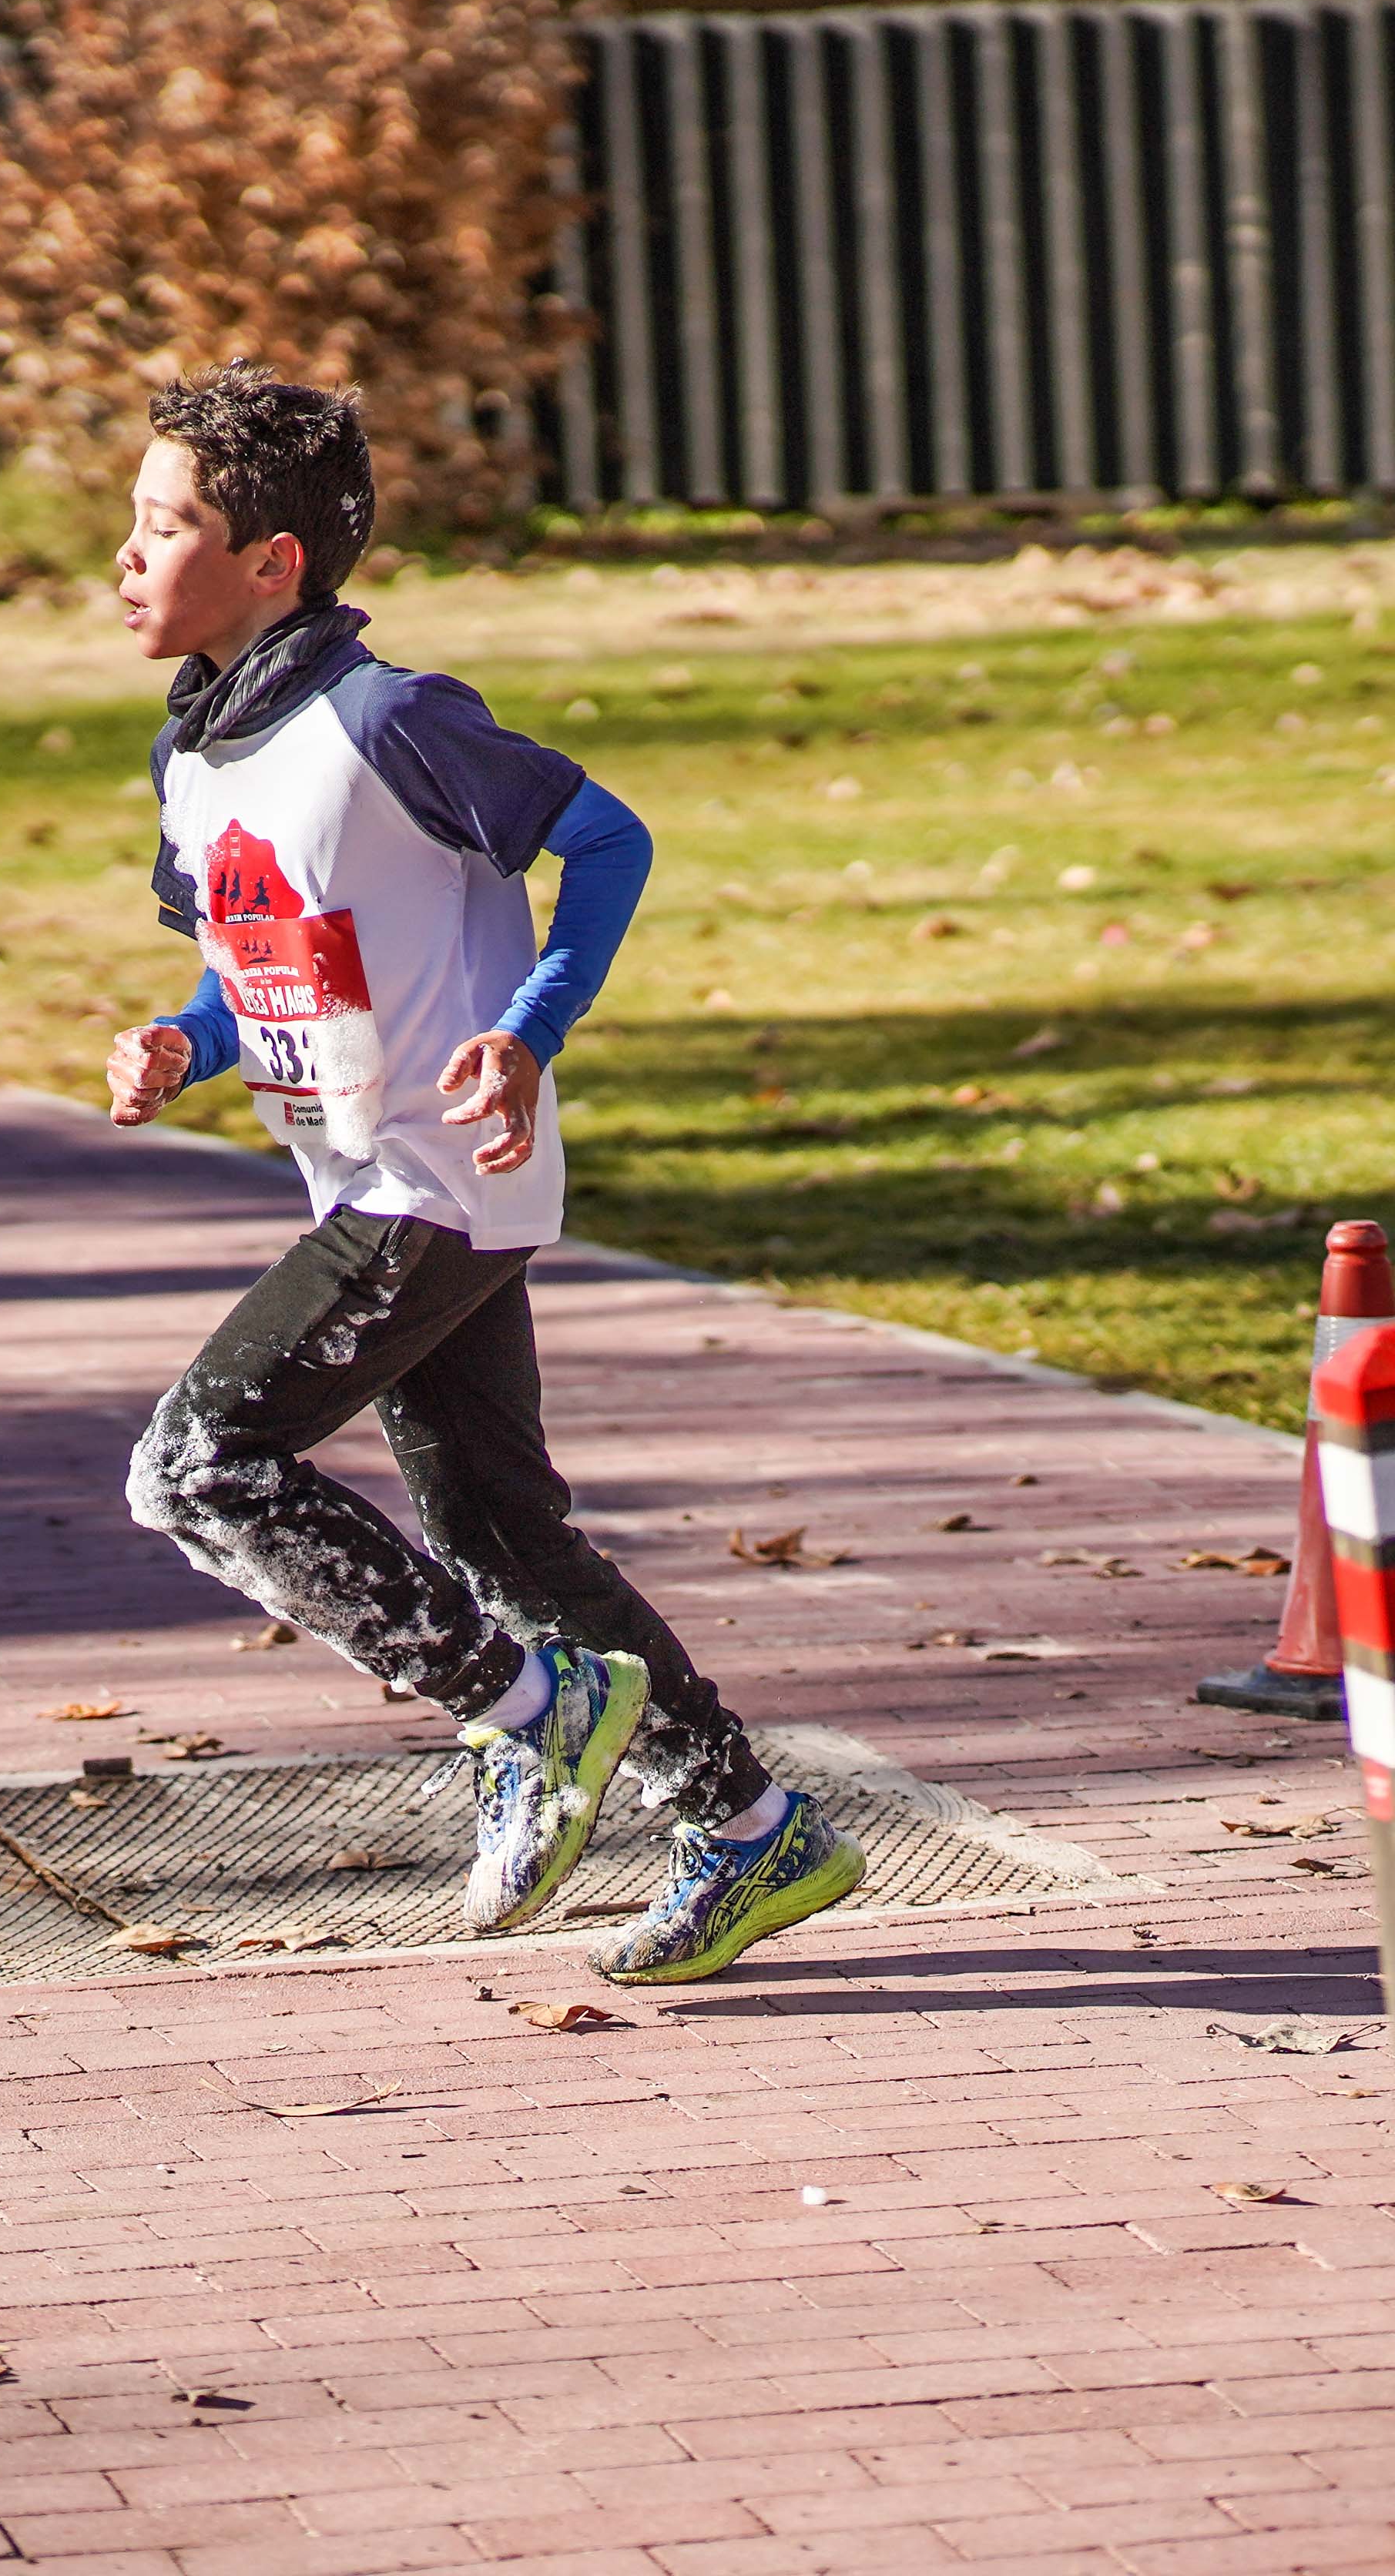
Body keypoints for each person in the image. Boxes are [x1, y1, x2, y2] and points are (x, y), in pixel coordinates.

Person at [100, 363, 860, 1985]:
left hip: (442, 1180)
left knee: (197, 1464)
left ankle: (534, 1709)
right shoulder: (198, 753)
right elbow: (268, 964)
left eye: (165, 524)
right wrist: (185, 1041)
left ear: (273, 560)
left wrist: (529, 1029)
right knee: (506, 1535)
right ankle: (747, 1825)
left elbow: (611, 839)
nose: (127, 552)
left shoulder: (390, 719)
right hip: (364, 1183)